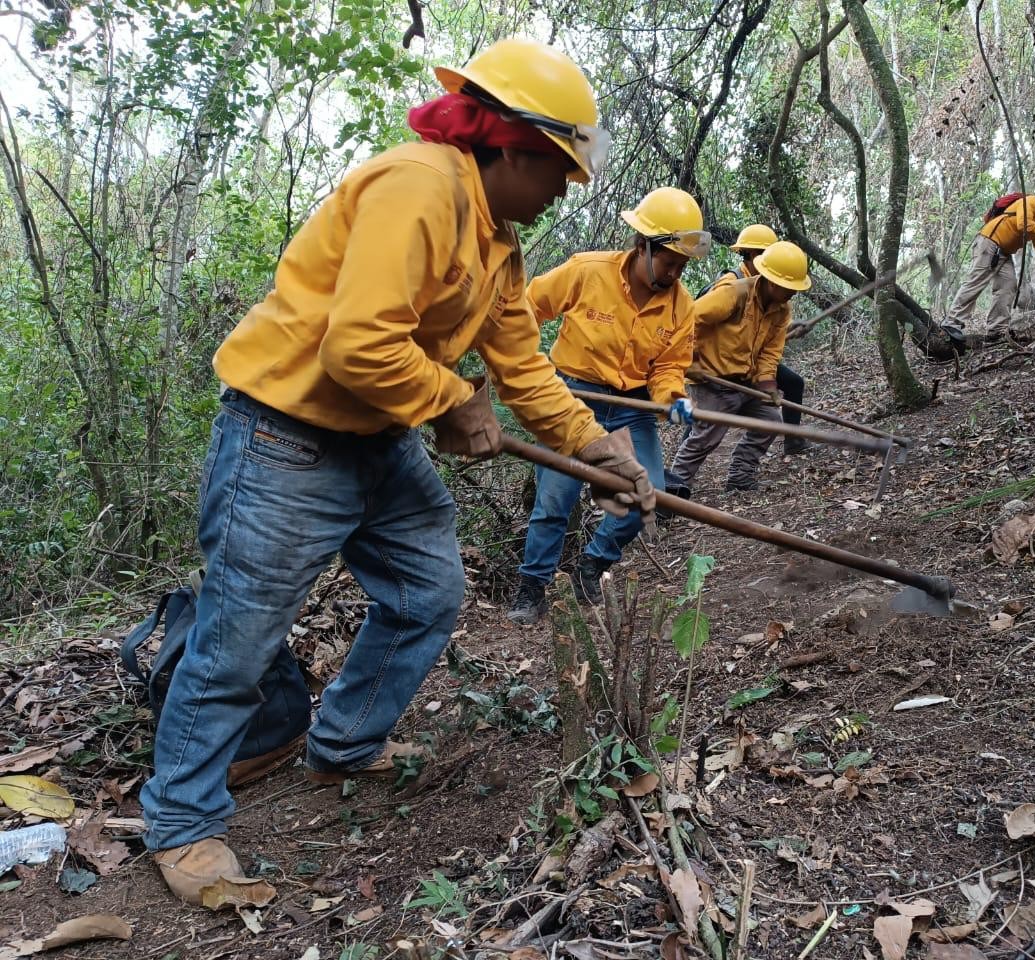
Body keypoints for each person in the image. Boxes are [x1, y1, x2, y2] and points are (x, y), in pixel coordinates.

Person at [141, 38, 657, 905]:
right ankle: (183, 822)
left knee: (428, 593)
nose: (563, 191)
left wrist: (589, 443)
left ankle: (342, 744)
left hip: (378, 441)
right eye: (556, 172)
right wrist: (454, 402)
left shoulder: (498, 240)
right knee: (237, 643)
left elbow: (522, 364)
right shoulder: (418, 187)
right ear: (509, 146)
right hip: (286, 442)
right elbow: (358, 344)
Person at [506, 187, 707, 624]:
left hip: (632, 406)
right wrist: (528, 364)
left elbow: (670, 366)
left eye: (682, 265)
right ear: (643, 247)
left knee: (647, 493)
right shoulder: (587, 271)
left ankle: (591, 567)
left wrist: (673, 397)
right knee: (555, 499)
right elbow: (526, 308)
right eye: (669, 261)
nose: (675, 272)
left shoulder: (682, 306)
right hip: (572, 395)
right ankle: (532, 588)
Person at [668, 241, 810, 493]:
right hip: (712, 381)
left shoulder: (781, 310)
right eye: (790, 287)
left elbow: (770, 352)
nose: (794, 293)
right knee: (705, 438)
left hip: (744, 381)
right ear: (773, 282)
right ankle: (673, 490)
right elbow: (687, 320)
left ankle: (740, 476)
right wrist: (691, 360)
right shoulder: (734, 293)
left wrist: (767, 384)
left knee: (770, 421)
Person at [946, 183, 1035, 336]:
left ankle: (997, 329)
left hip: (1004, 252)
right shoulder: (1031, 202)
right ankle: (952, 322)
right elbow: (1024, 225)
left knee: (1008, 286)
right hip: (989, 243)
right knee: (976, 281)